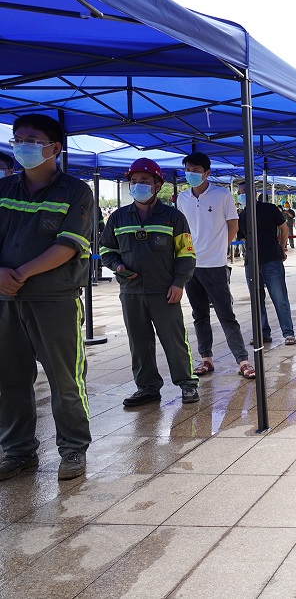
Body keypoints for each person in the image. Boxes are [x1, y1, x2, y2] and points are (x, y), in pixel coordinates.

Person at [0, 113, 93, 481]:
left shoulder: (75, 191)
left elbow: (69, 245)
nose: (23, 146)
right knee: (9, 381)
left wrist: (20, 274)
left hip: (55, 299)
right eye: (18, 139)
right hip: (6, 301)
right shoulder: (4, 190)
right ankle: (18, 451)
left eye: (32, 140)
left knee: (65, 379)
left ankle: (73, 449)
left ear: (55, 148)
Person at [99, 158, 199, 407]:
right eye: (133, 181)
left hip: (165, 291)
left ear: (157, 184)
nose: (138, 185)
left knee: (174, 340)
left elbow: (186, 254)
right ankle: (147, 388)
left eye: (144, 181)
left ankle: (187, 384)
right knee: (139, 342)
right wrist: (117, 266)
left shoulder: (173, 217)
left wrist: (179, 283)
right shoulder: (118, 218)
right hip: (131, 291)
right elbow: (106, 250)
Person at [176, 152, 254, 380]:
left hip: (215, 265)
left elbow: (233, 225)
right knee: (199, 314)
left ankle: (243, 360)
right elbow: (182, 230)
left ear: (207, 173)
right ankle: (206, 359)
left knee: (225, 314)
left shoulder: (222, 195)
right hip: (191, 266)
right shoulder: (182, 198)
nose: (191, 174)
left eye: (196, 171)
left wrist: (221, 248)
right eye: (188, 170)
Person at [237, 183, 296, 345]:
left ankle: (288, 332)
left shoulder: (269, 209)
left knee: (279, 297)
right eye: (239, 193)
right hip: (251, 263)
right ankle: (263, 333)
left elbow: (284, 228)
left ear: (254, 192)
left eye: (244, 191)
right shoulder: (242, 216)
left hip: (272, 260)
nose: (242, 195)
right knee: (257, 300)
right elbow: (243, 238)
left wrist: (282, 247)